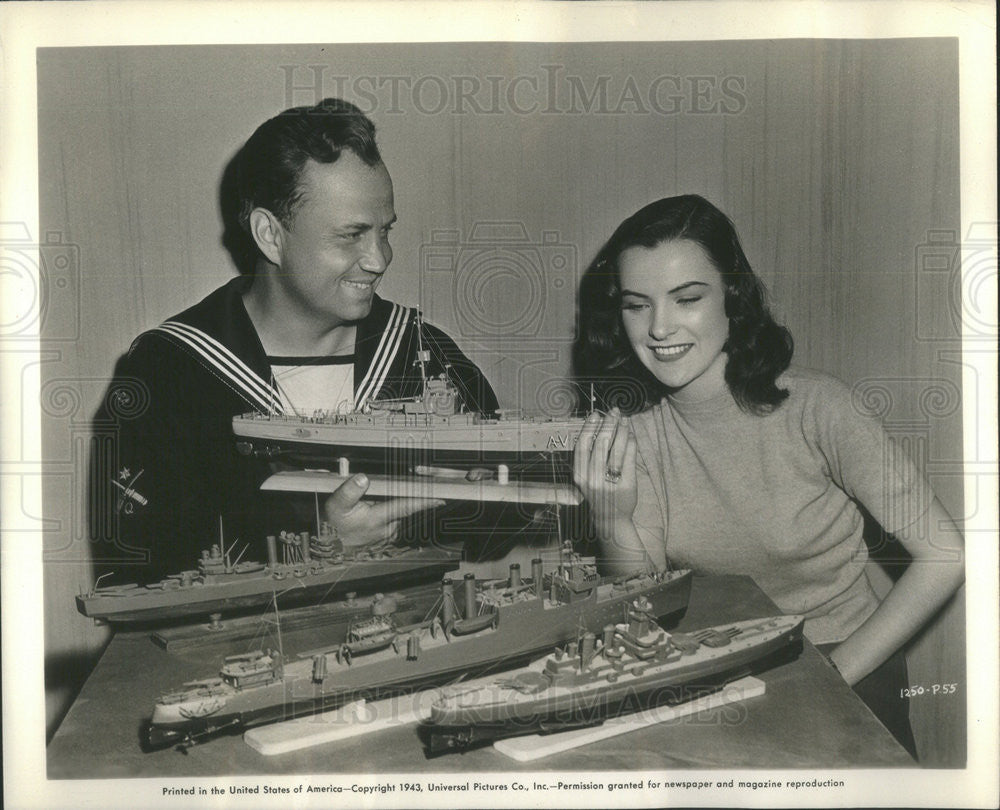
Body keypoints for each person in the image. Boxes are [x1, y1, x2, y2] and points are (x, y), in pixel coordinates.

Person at [571, 194, 964, 758]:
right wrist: (611, 517)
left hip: (850, 662)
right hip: (724, 669)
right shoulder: (637, 430)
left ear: (733, 297)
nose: (659, 328)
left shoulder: (820, 407)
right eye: (637, 305)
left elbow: (945, 555)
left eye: (687, 298)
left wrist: (828, 674)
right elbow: (644, 602)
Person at [94, 98, 498, 585]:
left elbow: (508, 531)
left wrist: (473, 502)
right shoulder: (169, 373)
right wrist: (314, 548)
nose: (379, 259)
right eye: (351, 236)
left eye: (384, 231)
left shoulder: (424, 354)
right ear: (270, 235)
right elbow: (137, 565)